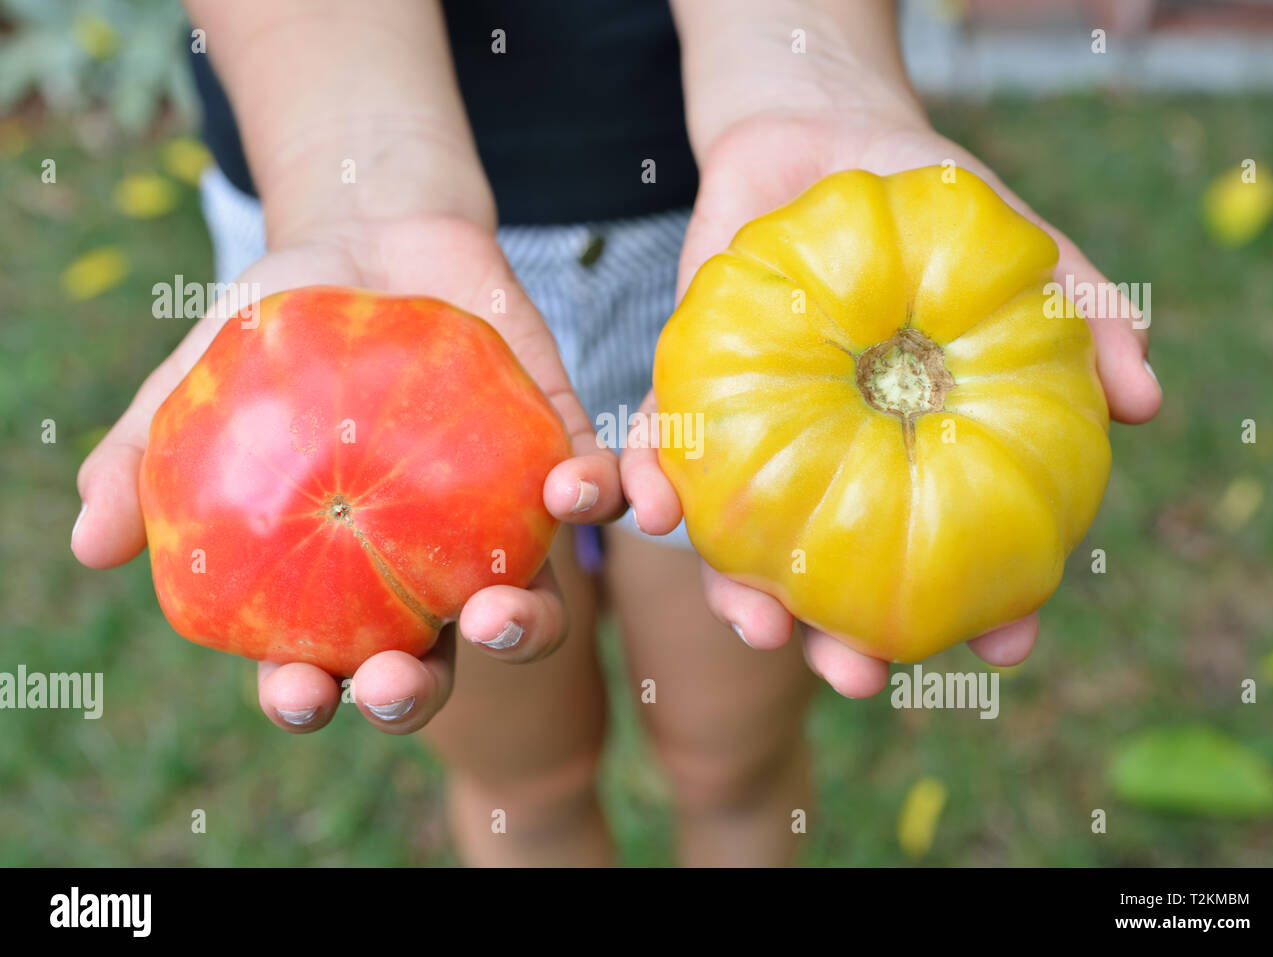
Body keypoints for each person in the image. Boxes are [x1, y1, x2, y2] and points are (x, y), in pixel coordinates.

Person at [71, 0, 1161, 866]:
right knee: (522, 786)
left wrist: (811, 70)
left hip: (751, 243)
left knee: (730, 756)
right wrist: (352, 184)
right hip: (346, 269)